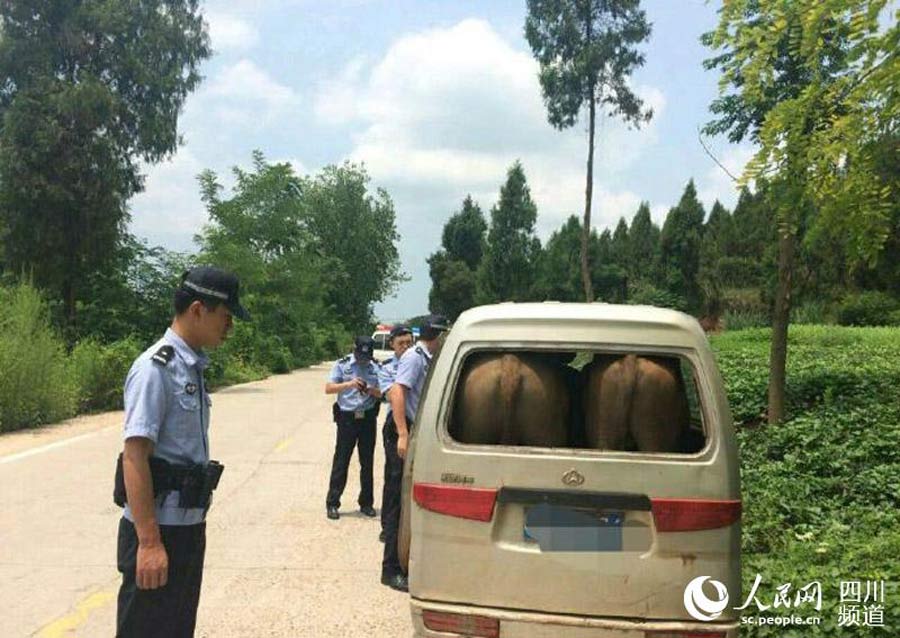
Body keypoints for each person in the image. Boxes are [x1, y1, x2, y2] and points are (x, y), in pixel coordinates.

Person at [114, 266, 250, 638]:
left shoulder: (191, 367)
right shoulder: (156, 369)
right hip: (160, 532)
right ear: (197, 310)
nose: (230, 326)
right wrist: (149, 542)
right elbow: (134, 457)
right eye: (225, 317)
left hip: (187, 529)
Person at [381, 314, 450, 592]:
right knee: (398, 499)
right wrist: (402, 434)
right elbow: (398, 392)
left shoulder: (425, 358)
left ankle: (405, 559)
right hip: (403, 430)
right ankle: (390, 569)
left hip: (413, 431)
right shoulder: (414, 357)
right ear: (437, 335)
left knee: (405, 498)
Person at [324, 336, 382, 520]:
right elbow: (329, 388)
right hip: (347, 419)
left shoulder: (376, 368)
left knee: (367, 462)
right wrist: (349, 384)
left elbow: (385, 393)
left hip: (367, 418)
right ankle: (333, 503)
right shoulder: (342, 365)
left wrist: (370, 390)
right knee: (341, 460)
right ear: (354, 349)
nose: (362, 360)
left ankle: (366, 503)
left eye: (366, 356)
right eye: (359, 355)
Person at [376, 324, 414, 542]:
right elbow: (392, 394)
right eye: (401, 343)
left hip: (417, 423)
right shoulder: (388, 368)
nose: (406, 347)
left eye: (409, 343)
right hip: (397, 425)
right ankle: (388, 527)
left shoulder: (420, 363)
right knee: (394, 477)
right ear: (392, 345)